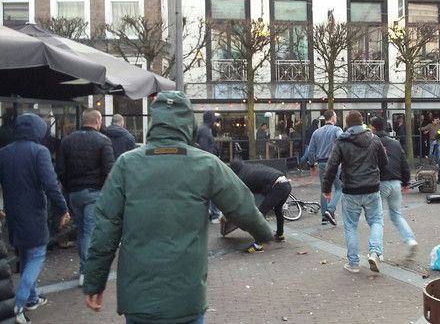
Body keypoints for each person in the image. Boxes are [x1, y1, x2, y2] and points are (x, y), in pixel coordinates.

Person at [82, 91, 273, 323]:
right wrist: (264, 233)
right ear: (188, 123)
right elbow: (242, 206)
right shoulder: (206, 164)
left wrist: (94, 281)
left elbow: (105, 227)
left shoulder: (126, 164)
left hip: (139, 299)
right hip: (186, 296)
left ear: (154, 122)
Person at [0, 114, 71, 324]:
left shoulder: (3, 152)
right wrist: (63, 209)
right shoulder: (40, 152)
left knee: (24, 255)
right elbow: (51, 185)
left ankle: (32, 298)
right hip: (34, 213)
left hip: (13, 213)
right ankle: (19, 304)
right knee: (37, 255)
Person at [322, 111, 387, 273]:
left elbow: (331, 166)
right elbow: (384, 162)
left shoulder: (342, 141)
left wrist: (326, 189)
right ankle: (375, 252)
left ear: (347, 124)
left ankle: (353, 263)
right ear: (362, 122)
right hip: (372, 188)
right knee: (377, 221)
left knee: (350, 226)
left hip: (351, 190)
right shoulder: (374, 139)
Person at [57, 108, 114, 287]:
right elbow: (110, 171)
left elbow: (60, 170)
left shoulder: (67, 141)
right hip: (94, 192)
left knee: (82, 230)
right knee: (90, 230)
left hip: (74, 193)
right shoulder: (103, 141)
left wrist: (69, 187)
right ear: (98, 121)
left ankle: (84, 268)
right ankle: (86, 271)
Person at [370, 116, 418, 258]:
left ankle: (377, 252)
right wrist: (405, 182)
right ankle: (410, 240)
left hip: (379, 183)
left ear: (372, 127)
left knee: (376, 218)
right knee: (396, 214)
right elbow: (404, 164)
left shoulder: (372, 142)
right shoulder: (395, 143)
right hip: (396, 183)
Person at [228, 160, 291, 252]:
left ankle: (259, 244)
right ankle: (280, 235)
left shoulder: (243, 176)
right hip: (286, 184)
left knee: (260, 214)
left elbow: (243, 195)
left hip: (277, 187)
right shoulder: (251, 167)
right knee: (278, 209)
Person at [304, 110, 343, 225]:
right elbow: (342, 139)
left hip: (321, 163)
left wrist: (311, 165)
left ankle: (324, 218)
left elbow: (311, 151)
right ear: (332, 118)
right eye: (335, 116)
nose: (336, 118)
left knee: (324, 189)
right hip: (334, 163)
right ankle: (330, 210)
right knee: (339, 188)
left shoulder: (316, 132)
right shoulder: (337, 130)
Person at [196, 110, 222, 224]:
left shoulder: (203, 129)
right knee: (214, 188)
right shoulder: (205, 131)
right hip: (207, 164)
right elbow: (204, 149)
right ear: (211, 119)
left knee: (208, 189)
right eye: (214, 119)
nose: (215, 121)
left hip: (204, 164)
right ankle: (215, 215)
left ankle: (211, 213)